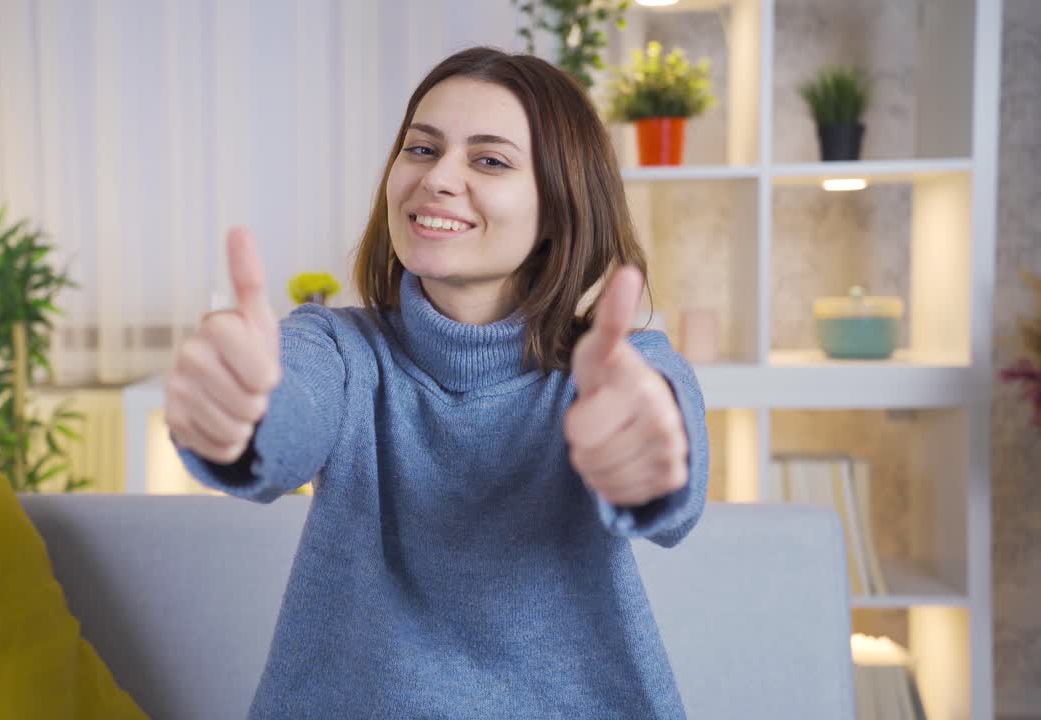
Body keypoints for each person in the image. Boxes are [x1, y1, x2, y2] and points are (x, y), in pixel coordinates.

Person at [166, 46, 708, 719]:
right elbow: (287, 406)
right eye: (422, 150)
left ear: (559, 208)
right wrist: (241, 414)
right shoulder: (335, 346)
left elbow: (663, 445)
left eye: (489, 160)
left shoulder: (622, 366)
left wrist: (645, 456)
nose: (438, 179)